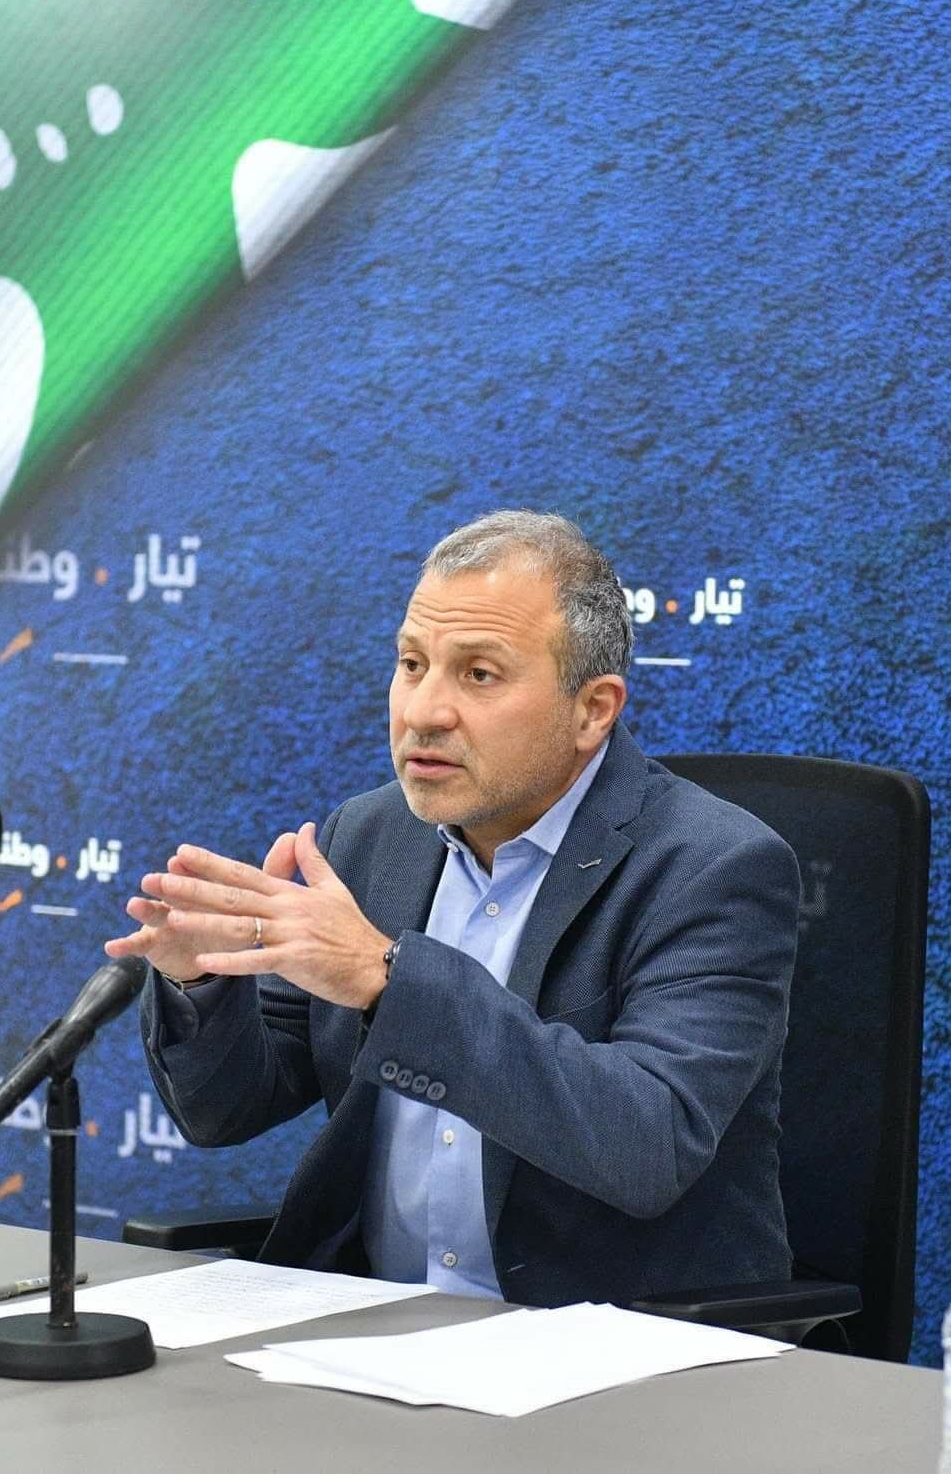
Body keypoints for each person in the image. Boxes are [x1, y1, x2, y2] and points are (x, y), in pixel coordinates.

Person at [107, 510, 800, 1307]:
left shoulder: (713, 868)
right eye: (412, 664)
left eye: (479, 675)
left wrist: (388, 981)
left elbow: (648, 1143)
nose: (423, 712)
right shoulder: (368, 837)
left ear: (592, 710)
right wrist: (200, 982)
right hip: (373, 1328)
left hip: (608, 1341)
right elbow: (226, 1111)